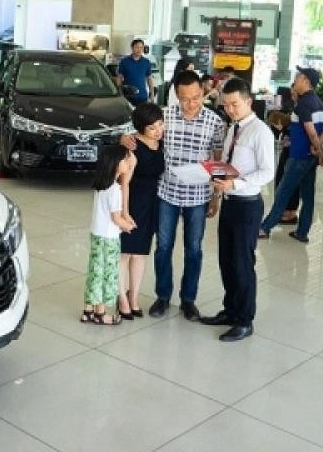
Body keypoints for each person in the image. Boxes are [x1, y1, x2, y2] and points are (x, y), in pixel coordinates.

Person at [123, 69, 225, 320]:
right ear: (176, 96)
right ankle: (163, 296)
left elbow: (217, 161)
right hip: (166, 193)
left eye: (196, 97)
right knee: (164, 247)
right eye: (185, 98)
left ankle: (188, 300)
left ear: (203, 91)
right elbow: (140, 132)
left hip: (198, 196)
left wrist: (216, 196)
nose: (191, 103)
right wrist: (124, 138)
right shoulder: (165, 116)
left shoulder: (215, 122)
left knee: (194, 249)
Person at [199, 78, 275, 341]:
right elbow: (228, 162)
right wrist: (218, 184)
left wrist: (236, 183)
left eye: (235, 104)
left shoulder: (260, 132)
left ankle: (244, 320)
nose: (230, 110)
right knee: (227, 260)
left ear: (248, 101)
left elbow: (267, 172)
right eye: (226, 105)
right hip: (230, 203)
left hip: (247, 205)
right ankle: (230, 310)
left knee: (243, 263)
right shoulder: (234, 129)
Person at [259, 68, 323, 242]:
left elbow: (311, 132)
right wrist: (317, 149)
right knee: (308, 196)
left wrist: (317, 148)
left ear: (306, 81)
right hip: (310, 158)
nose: (295, 80)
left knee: (283, 192)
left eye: (298, 77)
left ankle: (264, 228)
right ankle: (302, 232)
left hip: (298, 156)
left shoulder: (303, 104)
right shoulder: (319, 103)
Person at [118, 102, 166, 319]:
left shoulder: (161, 143)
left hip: (152, 203)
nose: (158, 131)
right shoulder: (132, 146)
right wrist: (124, 212)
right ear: (140, 128)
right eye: (152, 128)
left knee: (140, 253)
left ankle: (134, 296)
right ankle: (121, 298)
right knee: (125, 253)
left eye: (160, 125)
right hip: (131, 203)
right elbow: (123, 183)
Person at [82, 145, 137, 325]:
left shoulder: (101, 186)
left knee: (95, 272)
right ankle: (101, 313)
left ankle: (88, 310)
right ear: (115, 163)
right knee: (107, 275)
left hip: (97, 235)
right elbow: (116, 218)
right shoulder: (115, 190)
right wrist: (128, 226)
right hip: (109, 239)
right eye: (125, 160)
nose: (128, 163)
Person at [117, 38, 155, 105]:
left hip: (142, 97)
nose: (139, 50)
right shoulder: (124, 61)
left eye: (141, 47)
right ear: (132, 48)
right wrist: (119, 94)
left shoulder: (146, 62)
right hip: (128, 97)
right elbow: (119, 79)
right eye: (137, 47)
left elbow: (150, 80)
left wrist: (152, 95)